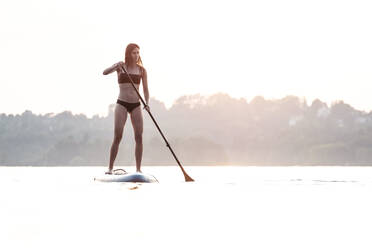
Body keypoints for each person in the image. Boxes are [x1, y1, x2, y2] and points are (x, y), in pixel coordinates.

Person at [102, 43, 150, 174]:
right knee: (118, 136)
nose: (136, 55)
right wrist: (115, 65)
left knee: (139, 137)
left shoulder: (142, 70)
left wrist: (147, 103)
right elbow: (104, 72)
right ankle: (110, 168)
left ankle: (138, 169)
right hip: (122, 103)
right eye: (134, 53)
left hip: (136, 105)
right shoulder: (121, 67)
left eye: (138, 53)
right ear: (128, 53)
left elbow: (145, 90)